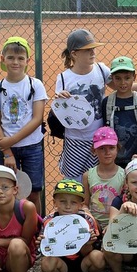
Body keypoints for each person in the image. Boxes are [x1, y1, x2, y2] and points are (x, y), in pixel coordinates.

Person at [0, 37, 47, 213]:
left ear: (27, 61)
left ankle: (36, 232)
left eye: (21, 58)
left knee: (34, 192)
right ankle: (9, 230)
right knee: (5, 195)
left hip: (32, 148)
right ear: (2, 59)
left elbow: (37, 119)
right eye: (11, 57)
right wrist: (7, 152)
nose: (15, 62)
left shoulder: (35, 85)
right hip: (6, 151)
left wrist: (10, 141)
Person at [55, 29, 110, 182]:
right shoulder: (64, 78)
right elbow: (61, 109)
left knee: (97, 181)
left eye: (93, 49)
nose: (93, 52)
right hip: (75, 140)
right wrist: (60, 98)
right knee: (73, 182)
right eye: (87, 50)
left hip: (99, 139)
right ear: (74, 53)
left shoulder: (101, 70)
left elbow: (123, 87)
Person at [39, 179, 105, 272]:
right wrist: (43, 244)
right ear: (54, 202)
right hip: (61, 263)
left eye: (73, 202)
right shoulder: (49, 222)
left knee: (98, 257)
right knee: (46, 263)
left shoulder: (87, 220)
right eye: (63, 201)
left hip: (82, 261)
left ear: (81, 205)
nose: (68, 206)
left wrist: (88, 243)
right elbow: (47, 252)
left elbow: (89, 253)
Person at [101, 56, 137, 168]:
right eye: (118, 78)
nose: (123, 83)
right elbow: (106, 128)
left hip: (136, 157)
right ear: (111, 78)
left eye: (127, 78)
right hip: (114, 160)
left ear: (134, 77)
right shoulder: (107, 103)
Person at [82, 126, 125, 230]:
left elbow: (125, 202)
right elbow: (84, 204)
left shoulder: (124, 175)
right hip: (94, 224)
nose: (107, 152)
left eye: (111, 148)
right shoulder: (88, 175)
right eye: (102, 148)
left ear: (117, 149)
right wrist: (89, 216)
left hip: (117, 223)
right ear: (94, 150)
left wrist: (113, 223)